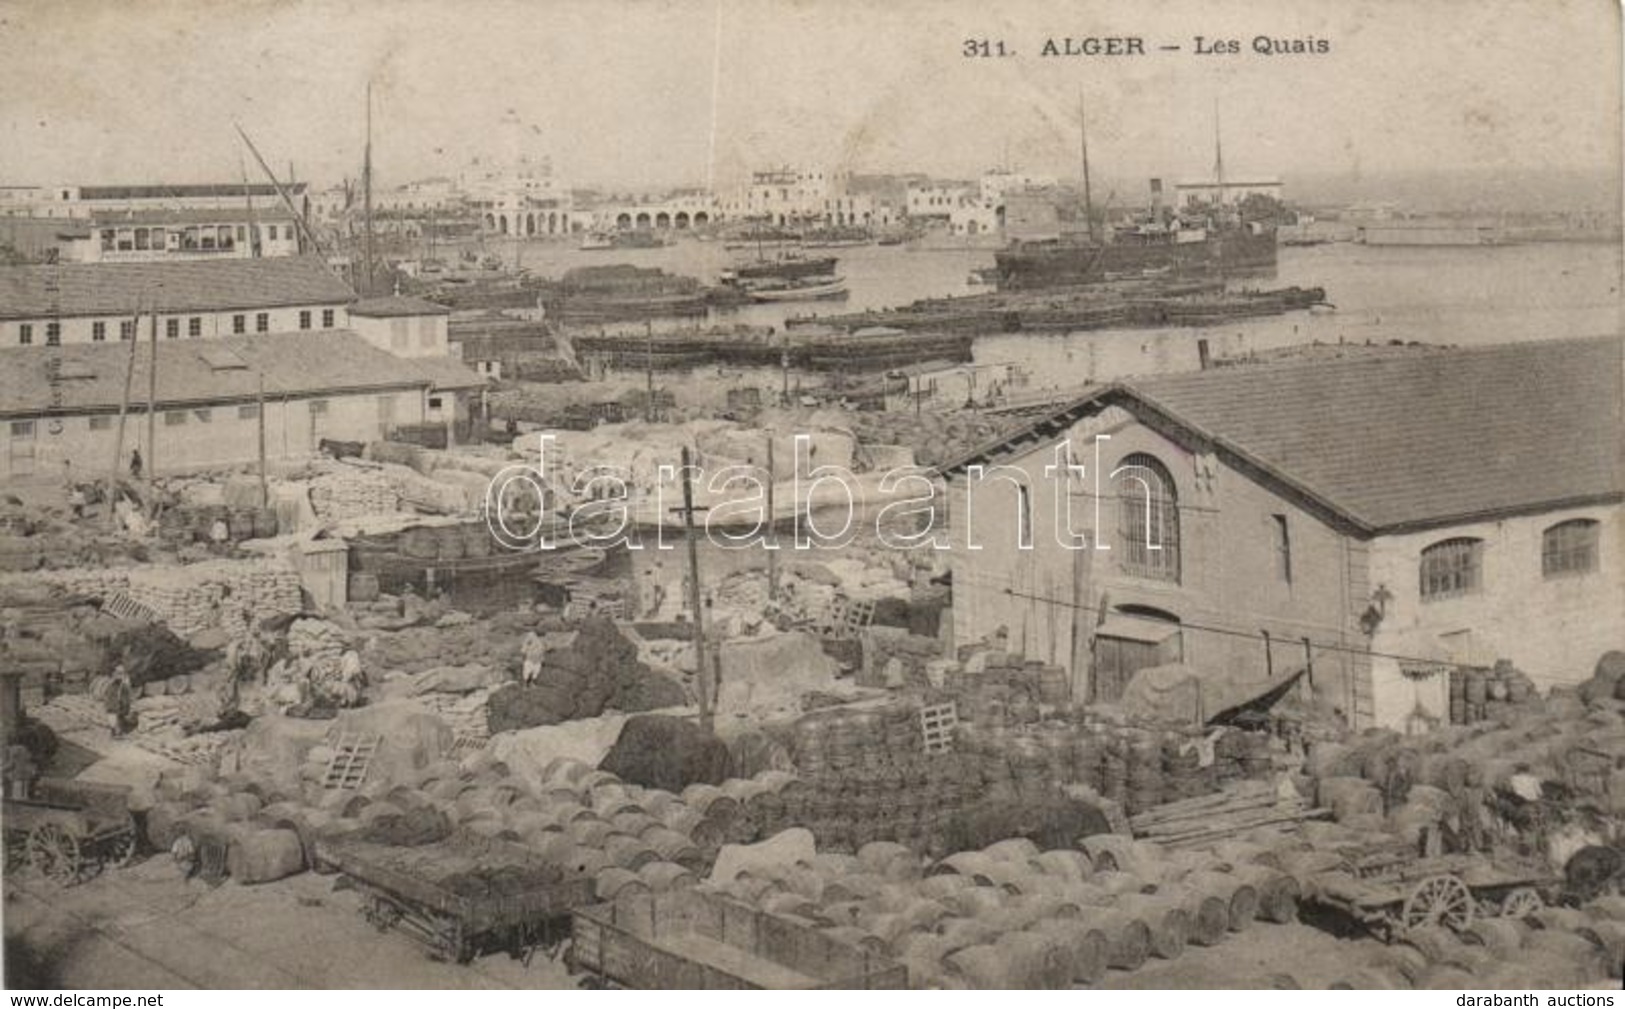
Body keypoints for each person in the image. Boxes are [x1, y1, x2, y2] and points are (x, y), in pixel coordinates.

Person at [106, 664, 135, 737]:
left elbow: (128, 695)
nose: (120, 675)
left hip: (122, 705)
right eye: (118, 673)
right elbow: (110, 697)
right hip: (115, 706)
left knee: (121, 715)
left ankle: (119, 730)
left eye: (121, 673)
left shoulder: (125, 684)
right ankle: (115, 730)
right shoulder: (112, 684)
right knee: (113, 715)